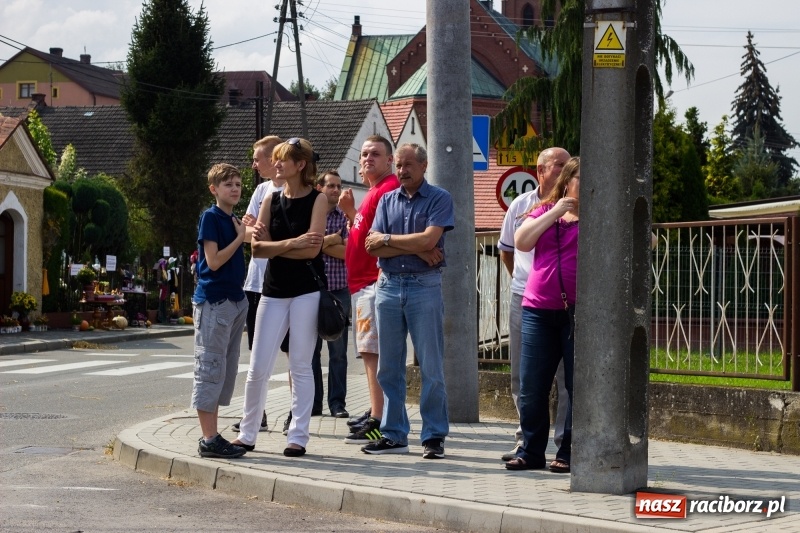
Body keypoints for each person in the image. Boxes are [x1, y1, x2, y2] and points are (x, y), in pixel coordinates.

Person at [232, 137, 327, 457]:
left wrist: (280, 246)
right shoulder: (270, 199)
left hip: (306, 291)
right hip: (272, 290)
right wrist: (293, 243)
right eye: (274, 159)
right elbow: (257, 249)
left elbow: (313, 250)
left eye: (283, 159)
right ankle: (247, 434)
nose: (276, 164)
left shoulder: (317, 199)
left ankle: (298, 436)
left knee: (300, 365)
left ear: (300, 165)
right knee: (258, 366)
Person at [362, 143, 454, 458]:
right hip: (388, 285)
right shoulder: (387, 200)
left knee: (431, 366)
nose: (402, 171)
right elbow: (371, 246)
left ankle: (433, 436)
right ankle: (394, 434)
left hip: (423, 285)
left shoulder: (439, 198)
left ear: (424, 165)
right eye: (399, 165)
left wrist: (390, 240)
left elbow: (430, 239)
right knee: (389, 367)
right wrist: (418, 248)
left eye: (408, 165)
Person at [496, 147, 571, 462]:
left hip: (567, 304)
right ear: (540, 170)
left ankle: (566, 444)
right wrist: (524, 281)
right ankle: (525, 440)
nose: (565, 170)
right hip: (525, 299)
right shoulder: (522, 205)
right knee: (524, 376)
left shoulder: (578, 205)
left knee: (567, 380)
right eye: (559, 165)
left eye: (569, 165)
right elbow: (507, 249)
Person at [337, 135, 400, 445]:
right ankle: (377, 411)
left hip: (372, 283)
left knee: (372, 352)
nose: (367, 159)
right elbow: (363, 234)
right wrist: (352, 212)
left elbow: (380, 237)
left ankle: (379, 418)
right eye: (363, 154)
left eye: (375, 153)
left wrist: (350, 212)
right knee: (369, 351)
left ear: (389, 160)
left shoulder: (387, 188)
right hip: (363, 284)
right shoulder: (374, 190)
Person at [192, 163, 249, 459]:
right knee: (210, 368)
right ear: (214, 189)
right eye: (228, 184)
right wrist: (240, 238)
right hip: (215, 301)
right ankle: (209, 439)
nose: (235, 189)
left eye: (238, 184)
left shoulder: (234, 220)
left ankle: (213, 435)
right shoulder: (211, 217)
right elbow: (213, 262)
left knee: (224, 369)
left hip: (235, 300)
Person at [232, 135, 284, 433]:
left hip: (287, 282)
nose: (253, 165)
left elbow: (295, 237)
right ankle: (256, 415)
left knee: (294, 354)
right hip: (256, 282)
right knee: (256, 354)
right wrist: (257, 232)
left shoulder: (296, 191)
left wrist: (264, 234)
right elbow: (245, 234)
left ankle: (295, 415)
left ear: (274, 159)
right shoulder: (262, 190)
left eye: (256, 159)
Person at [311, 170, 351, 418]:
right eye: (331, 186)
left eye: (338, 186)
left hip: (339, 290)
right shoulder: (310, 215)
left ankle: (337, 404)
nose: (336, 190)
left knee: (338, 352)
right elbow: (306, 245)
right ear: (319, 188)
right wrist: (333, 239)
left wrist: (320, 244)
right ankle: (314, 404)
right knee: (311, 351)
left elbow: (348, 253)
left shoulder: (344, 217)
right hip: (311, 290)